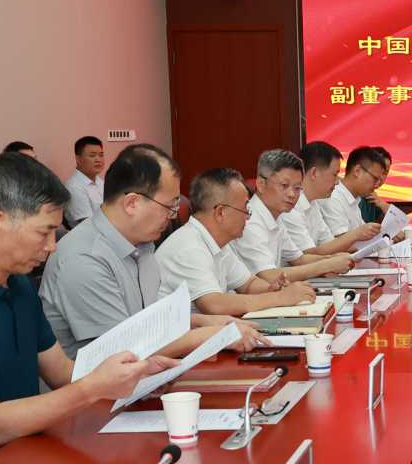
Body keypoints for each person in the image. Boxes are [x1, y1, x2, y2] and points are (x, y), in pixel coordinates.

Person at [0, 152, 174, 464]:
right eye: (44, 232)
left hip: (29, 457)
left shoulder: (17, 286)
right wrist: (92, 388)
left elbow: (61, 373)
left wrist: (134, 372)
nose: (52, 246)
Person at [38, 144, 256, 359]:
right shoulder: (83, 258)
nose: (173, 216)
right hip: (100, 380)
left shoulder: (142, 244)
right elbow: (119, 350)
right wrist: (210, 335)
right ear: (132, 203)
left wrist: (202, 322)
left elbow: (146, 325)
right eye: (169, 207)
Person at [158, 167, 317, 315]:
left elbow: (248, 284)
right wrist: (280, 298)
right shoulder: (189, 247)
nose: (248, 217)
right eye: (245, 209)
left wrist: (273, 288)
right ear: (220, 212)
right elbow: (214, 305)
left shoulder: (218, 241)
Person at [235, 149, 355, 284]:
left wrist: (332, 259)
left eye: (297, 188)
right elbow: (268, 275)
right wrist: (326, 265)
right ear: (261, 184)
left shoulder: (276, 215)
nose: (292, 194)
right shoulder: (248, 220)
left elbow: (298, 259)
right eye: (284, 185)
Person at [285, 141, 381, 259]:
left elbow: (328, 243)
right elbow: (307, 255)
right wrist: (356, 234)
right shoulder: (290, 206)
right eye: (334, 175)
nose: (337, 182)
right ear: (314, 173)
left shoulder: (313, 203)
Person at [321, 145, 389, 238]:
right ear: (357, 171)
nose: (377, 184)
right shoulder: (333, 197)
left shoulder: (355, 199)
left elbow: (364, 235)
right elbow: (341, 241)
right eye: (375, 178)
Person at [63, 135, 105, 227]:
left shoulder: (100, 182)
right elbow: (88, 225)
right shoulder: (74, 187)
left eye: (101, 155)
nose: (98, 159)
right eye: (92, 155)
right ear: (78, 159)